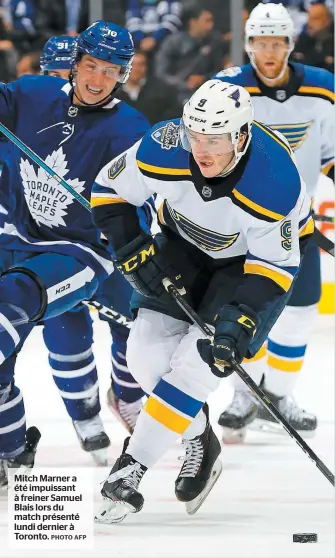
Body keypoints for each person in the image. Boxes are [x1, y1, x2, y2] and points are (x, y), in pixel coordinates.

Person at [91, 79, 313, 522]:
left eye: (215, 140)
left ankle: (130, 470)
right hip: (181, 246)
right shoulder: (164, 146)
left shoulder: (275, 182)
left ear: (242, 136)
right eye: (195, 137)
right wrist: (130, 243)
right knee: (146, 357)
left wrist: (241, 317)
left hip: (247, 268)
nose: (201, 151)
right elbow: (108, 189)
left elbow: (273, 268)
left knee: (197, 363)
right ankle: (200, 438)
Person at [0, 20, 151, 486]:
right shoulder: (33, 94)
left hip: (83, 253)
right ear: (75, 66)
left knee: (14, 298)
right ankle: (12, 452)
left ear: (123, 75)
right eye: (91, 66)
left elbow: (145, 202)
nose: (97, 79)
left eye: (111, 70)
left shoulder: (129, 130)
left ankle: (122, 404)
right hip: (23, 240)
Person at [213, 2, 334, 442]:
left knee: (301, 313)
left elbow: (331, 156)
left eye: (277, 42)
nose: (269, 51)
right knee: (245, 310)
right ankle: (246, 395)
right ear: (248, 45)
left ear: (290, 44)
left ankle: (279, 396)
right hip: (240, 225)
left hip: (297, 225)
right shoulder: (225, 89)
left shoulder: (322, 89)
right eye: (261, 42)